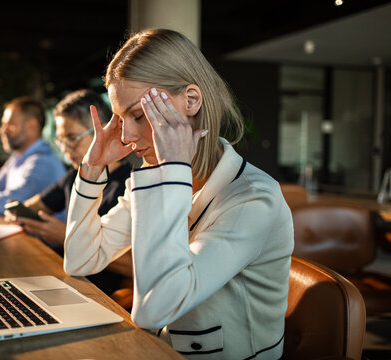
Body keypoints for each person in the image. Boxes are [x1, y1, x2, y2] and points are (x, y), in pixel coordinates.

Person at [62, 29, 294, 359]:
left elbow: (155, 309)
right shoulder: (155, 178)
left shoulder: (253, 200)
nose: (126, 136)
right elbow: (81, 259)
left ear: (191, 101)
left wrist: (170, 176)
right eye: (121, 118)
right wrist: (92, 168)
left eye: (138, 115)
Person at [6, 89, 133, 296]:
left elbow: (134, 267)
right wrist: (19, 212)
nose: (65, 149)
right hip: (66, 281)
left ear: (104, 131)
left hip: (100, 294)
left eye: (72, 138)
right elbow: (33, 206)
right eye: (61, 141)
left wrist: (65, 235)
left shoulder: (129, 185)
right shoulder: (75, 175)